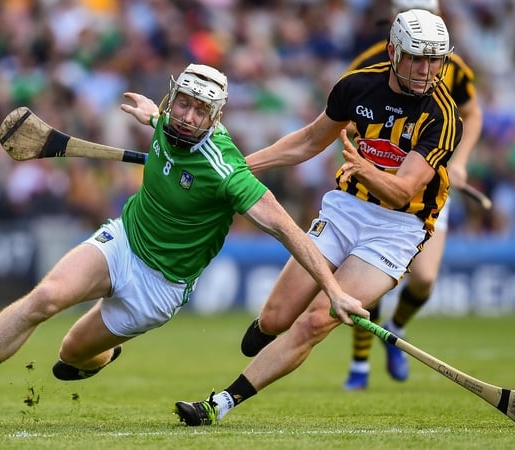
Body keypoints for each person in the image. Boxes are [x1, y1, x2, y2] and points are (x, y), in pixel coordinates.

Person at [0, 63, 367, 423]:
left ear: (215, 118)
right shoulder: (167, 122)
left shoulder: (228, 172)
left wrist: (332, 289)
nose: (186, 117)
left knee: (72, 353)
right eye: (182, 103)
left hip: (160, 287)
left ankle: (104, 354)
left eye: (199, 111)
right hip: (124, 241)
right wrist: (152, 114)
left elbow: (289, 231)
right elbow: (162, 120)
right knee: (46, 298)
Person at [174, 9, 461, 426]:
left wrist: (365, 169)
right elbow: (309, 141)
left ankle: (219, 403)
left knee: (313, 322)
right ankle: (269, 331)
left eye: (434, 59)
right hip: (347, 209)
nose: (425, 70)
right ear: (393, 52)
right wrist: (237, 168)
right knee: (276, 318)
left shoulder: (443, 115)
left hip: (397, 228)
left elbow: (402, 190)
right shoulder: (357, 87)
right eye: (416, 58)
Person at [342, 0, 483, 391]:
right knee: (365, 273)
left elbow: (473, 114)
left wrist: (460, 161)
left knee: (423, 279)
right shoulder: (369, 63)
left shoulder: (452, 68)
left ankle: (396, 327)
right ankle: (359, 364)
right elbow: (346, 120)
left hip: (427, 190)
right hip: (376, 185)